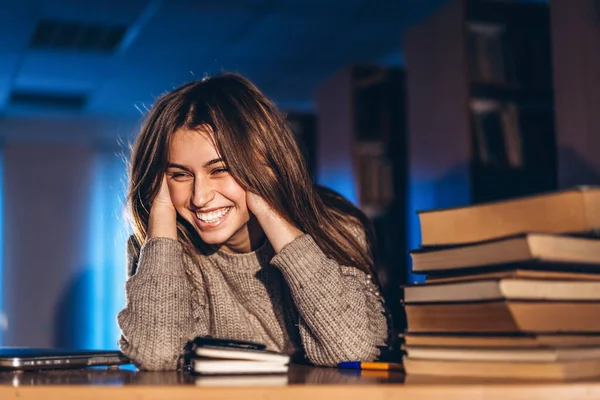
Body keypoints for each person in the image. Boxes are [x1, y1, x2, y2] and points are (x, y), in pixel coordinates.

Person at [117, 73, 390, 371]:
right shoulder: (159, 248)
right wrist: (160, 220)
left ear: (264, 165)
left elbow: (351, 350)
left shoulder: (337, 228)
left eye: (220, 170)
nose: (199, 197)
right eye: (180, 175)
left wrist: (270, 208)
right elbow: (156, 354)